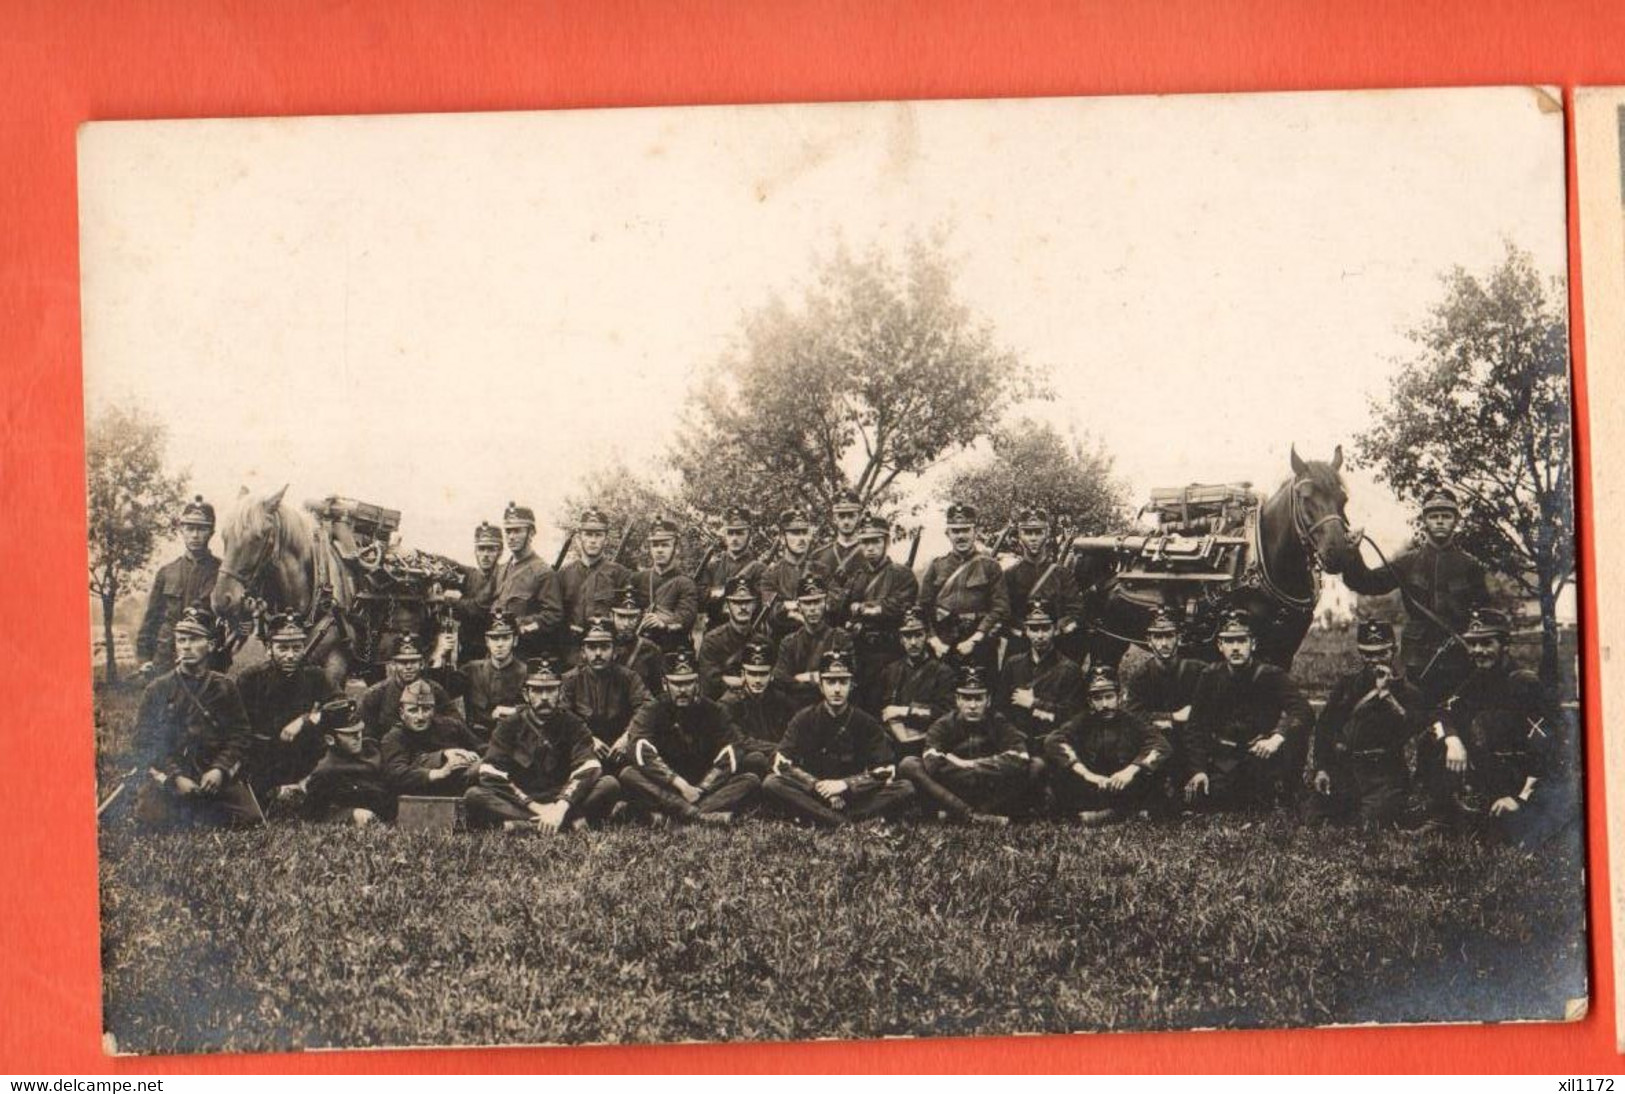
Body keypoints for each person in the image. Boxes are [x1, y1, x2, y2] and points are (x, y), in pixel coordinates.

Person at [1338, 487, 1490, 705]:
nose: (1439, 521)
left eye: (1446, 516)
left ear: (1456, 521)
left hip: (1459, 662)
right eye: (1433, 516)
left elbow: (1483, 617)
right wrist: (1353, 552)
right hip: (1416, 663)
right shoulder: (1408, 563)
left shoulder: (1470, 566)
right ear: (1424, 521)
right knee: (1414, 719)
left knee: (1458, 719)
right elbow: (1366, 583)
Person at [1417, 608, 1557, 844]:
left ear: (1505, 646)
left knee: (1504, 838)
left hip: (1522, 783)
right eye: (1473, 644)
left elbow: (1547, 751)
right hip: (1491, 774)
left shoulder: (1523, 683)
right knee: (1432, 739)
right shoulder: (1477, 679)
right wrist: (1452, 740)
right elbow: (1441, 712)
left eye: (1486, 643)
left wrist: (1520, 799)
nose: (1478, 651)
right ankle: (1443, 816)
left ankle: (1493, 818)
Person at [129, 606, 261, 829]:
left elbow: (240, 734)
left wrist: (220, 769)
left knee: (250, 819)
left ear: (210, 645)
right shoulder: (157, 689)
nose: (186, 646)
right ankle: (187, 806)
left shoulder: (225, 687)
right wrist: (175, 776)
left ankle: (199, 808)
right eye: (181, 640)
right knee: (152, 820)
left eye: (194, 639)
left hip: (211, 771)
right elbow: (144, 741)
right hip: (172, 771)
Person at [463, 658, 622, 832]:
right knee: (474, 796)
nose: (544, 697)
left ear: (560, 693)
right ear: (526, 694)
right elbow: (490, 772)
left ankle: (524, 826)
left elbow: (588, 767)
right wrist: (540, 808)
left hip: (563, 797)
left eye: (551, 690)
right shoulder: (509, 725)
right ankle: (565, 823)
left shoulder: (574, 723)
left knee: (609, 784)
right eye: (537, 691)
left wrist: (560, 807)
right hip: (523, 799)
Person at [763, 649, 915, 827]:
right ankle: (844, 822)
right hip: (813, 795)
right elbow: (780, 762)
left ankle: (823, 820)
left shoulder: (866, 722)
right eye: (830, 682)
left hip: (854, 798)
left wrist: (846, 785)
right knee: (771, 783)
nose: (837, 689)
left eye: (843, 682)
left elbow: (886, 769)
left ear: (851, 685)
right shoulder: (803, 718)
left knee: (905, 787)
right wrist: (818, 786)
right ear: (821, 686)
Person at [1183, 611, 1314, 812]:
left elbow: (1303, 710)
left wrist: (1277, 737)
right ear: (1220, 646)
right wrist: (1199, 770)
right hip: (1225, 758)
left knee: (1267, 797)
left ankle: (1289, 788)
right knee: (1207, 799)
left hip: (1261, 757)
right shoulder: (1210, 677)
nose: (1236, 648)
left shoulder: (1272, 675)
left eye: (1242, 641)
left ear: (1253, 644)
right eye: (1229, 641)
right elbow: (1195, 726)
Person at [620, 650, 762, 824]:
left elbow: (734, 749)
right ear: (665, 684)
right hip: (667, 785)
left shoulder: (714, 710)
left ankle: (673, 815)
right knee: (628, 774)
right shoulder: (652, 710)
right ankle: (698, 815)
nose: (682, 690)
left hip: (703, 785)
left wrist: (703, 787)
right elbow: (639, 748)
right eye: (676, 683)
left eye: (688, 683)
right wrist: (679, 783)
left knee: (751, 779)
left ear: (697, 683)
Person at [1307, 620, 1423, 828]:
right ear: (1360, 654)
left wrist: (1388, 698)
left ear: (1394, 651)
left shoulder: (1408, 691)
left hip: (1384, 773)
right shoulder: (1348, 685)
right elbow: (1325, 727)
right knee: (1313, 816)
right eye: (1368, 654)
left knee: (1368, 823)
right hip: (1348, 768)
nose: (1374, 660)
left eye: (1382, 653)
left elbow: (1412, 728)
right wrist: (1322, 768)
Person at [899, 665, 1036, 824]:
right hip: (953, 790)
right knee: (909, 764)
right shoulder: (943, 724)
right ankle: (970, 815)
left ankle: (974, 812)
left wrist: (972, 764)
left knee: (1036, 765)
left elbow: (1020, 756)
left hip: (990, 790)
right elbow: (932, 762)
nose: (972, 705)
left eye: (978, 699)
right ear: (957, 700)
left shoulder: (999, 722)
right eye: (966, 698)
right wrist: (992, 763)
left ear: (988, 700)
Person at [1044, 666, 1169, 825]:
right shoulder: (1083, 721)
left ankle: (1114, 813)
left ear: (1120, 697)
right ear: (1090, 702)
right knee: (1058, 773)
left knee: (1155, 773)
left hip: (1126, 785)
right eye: (1098, 699)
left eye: (1109, 697)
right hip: (1096, 785)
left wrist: (1130, 771)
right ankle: (1118, 813)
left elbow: (1161, 744)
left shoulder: (1132, 720)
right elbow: (1053, 740)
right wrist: (1087, 775)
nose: (1104, 704)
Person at [234, 613, 337, 805]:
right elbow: (237, 728)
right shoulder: (251, 679)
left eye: (297, 648)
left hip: (304, 756)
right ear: (268, 649)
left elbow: (341, 707)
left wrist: (306, 719)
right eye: (282, 648)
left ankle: (303, 784)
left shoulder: (315, 676)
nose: (290, 655)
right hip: (263, 758)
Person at [916, 502, 1009, 675]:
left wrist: (976, 639)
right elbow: (923, 608)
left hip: (979, 642)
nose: (961, 536)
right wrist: (933, 639)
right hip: (943, 643)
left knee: (981, 693)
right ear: (948, 534)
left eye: (966, 530)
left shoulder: (990, 566)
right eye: (955, 531)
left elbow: (1000, 607)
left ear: (975, 532)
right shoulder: (936, 566)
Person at [838, 515, 919, 713]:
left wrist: (867, 608)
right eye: (865, 542)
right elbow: (841, 608)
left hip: (890, 652)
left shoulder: (902, 574)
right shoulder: (856, 576)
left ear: (887, 542)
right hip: (860, 651)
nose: (870, 548)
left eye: (876, 541)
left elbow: (900, 605)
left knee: (888, 706)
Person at [1123, 607, 1206, 797]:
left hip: (1192, 740)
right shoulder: (1140, 677)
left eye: (1169, 636)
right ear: (1149, 641)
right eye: (1158, 637)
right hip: (1159, 740)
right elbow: (1132, 715)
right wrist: (1172, 717)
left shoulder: (1197, 670)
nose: (1164, 643)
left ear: (1178, 638)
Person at [137, 495, 222, 677]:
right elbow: (152, 619)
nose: (195, 535)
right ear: (181, 530)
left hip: (207, 661)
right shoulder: (167, 572)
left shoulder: (221, 572)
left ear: (211, 532)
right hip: (166, 659)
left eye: (201, 529)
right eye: (190, 528)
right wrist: (145, 658)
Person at [560, 616, 654, 763]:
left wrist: (627, 737)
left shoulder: (629, 678)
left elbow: (648, 708)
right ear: (583, 652)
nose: (598, 653)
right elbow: (562, 714)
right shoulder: (571, 680)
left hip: (621, 750)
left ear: (615, 651)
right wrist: (588, 739)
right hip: (584, 751)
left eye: (604, 647)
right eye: (591, 647)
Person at [997, 603, 1086, 750]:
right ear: (1026, 631)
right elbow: (1000, 708)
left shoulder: (1070, 669)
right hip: (1017, 743)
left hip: (1053, 744)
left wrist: (1034, 703)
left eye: (1045, 629)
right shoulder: (1013, 664)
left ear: (1055, 630)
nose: (1040, 636)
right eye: (1034, 629)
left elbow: (1074, 716)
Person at [1001, 507, 1083, 663]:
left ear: (1046, 535)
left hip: (1057, 646)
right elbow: (1003, 612)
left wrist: (1057, 629)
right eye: (1028, 532)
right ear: (1020, 535)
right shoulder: (1009, 575)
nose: (1033, 538)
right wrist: (1023, 630)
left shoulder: (1062, 575)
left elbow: (1076, 609)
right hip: (1020, 647)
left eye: (1038, 532)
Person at [380, 678, 484, 799]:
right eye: (413, 710)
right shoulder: (395, 737)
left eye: (426, 709)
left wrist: (475, 756)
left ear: (433, 710)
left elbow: (482, 748)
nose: (420, 716)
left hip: (461, 788)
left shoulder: (451, 726)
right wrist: (440, 771)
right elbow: (395, 774)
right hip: (421, 796)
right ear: (402, 713)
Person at [875, 608, 958, 757]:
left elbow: (948, 714)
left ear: (926, 636)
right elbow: (879, 711)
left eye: (918, 635)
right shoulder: (890, 671)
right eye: (907, 636)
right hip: (893, 743)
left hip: (928, 743)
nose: (913, 642)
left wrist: (906, 711)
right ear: (900, 639)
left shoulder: (943, 672)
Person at [492, 501, 566, 660]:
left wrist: (520, 625)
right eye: (508, 531)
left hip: (526, 656)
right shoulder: (502, 570)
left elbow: (553, 616)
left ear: (531, 533)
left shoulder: (542, 572)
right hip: (497, 656)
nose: (511, 537)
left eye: (517, 531)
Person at [558, 507, 632, 662]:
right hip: (572, 655)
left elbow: (627, 618)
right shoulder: (564, 574)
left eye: (598, 535)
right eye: (588, 534)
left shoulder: (620, 574)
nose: (593, 540)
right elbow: (557, 616)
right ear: (579, 538)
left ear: (606, 539)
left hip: (606, 654)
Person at [304, 699, 396, 825]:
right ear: (330, 739)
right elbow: (313, 814)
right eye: (349, 734)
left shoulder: (371, 748)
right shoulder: (326, 771)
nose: (358, 737)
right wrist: (350, 814)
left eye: (359, 731)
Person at [772, 574, 855, 709]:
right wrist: (813, 678)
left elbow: (851, 680)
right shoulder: (789, 642)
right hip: (796, 708)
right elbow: (780, 680)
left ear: (825, 603)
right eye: (807, 603)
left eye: (817, 602)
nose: (812, 608)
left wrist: (801, 678)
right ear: (799, 606)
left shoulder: (841, 639)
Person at [445, 610, 527, 742]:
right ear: (487, 641)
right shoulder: (471, 670)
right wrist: (440, 656)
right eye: (494, 638)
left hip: (513, 741)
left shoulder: (525, 673)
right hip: (477, 740)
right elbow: (443, 692)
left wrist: (514, 711)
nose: (499, 644)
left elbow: (540, 709)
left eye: (505, 638)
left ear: (515, 641)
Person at [720, 640, 800, 770]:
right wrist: (780, 748)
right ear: (742, 674)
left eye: (763, 674)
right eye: (752, 673)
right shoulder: (729, 703)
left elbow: (795, 729)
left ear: (771, 675)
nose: (758, 680)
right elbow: (740, 742)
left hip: (779, 759)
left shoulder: (780, 699)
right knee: (756, 758)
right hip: (746, 764)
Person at [357, 635, 456, 739]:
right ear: (393, 665)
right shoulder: (375, 695)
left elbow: (456, 725)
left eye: (413, 662)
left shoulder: (435, 690)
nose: (408, 667)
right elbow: (365, 736)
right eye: (402, 662)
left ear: (421, 664)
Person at [633, 515, 701, 652]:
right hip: (642, 650)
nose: (659, 550)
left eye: (665, 545)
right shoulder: (638, 579)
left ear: (676, 548)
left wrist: (663, 623)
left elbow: (686, 618)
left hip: (674, 649)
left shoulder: (686, 583)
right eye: (655, 545)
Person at [759, 507, 826, 643]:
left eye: (804, 532)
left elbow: (831, 607)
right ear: (783, 538)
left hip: (816, 643)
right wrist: (786, 609)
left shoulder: (821, 571)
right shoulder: (771, 575)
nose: (801, 538)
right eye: (795, 533)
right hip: (782, 643)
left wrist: (792, 608)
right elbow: (771, 614)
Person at [443, 520, 504, 660]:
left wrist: (444, 600)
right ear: (475, 551)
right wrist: (415, 553)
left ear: (500, 552)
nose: (485, 554)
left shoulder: (502, 575)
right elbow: (451, 564)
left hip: (494, 651)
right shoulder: (471, 575)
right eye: (481, 549)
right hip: (468, 651)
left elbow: (477, 607)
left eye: (491, 549)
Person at [698, 576, 766, 700]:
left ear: (755, 605)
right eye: (737, 602)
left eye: (747, 602)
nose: (743, 607)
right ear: (727, 606)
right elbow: (710, 682)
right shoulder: (712, 641)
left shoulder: (763, 642)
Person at [698, 506, 766, 628]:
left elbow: (760, 604)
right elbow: (701, 603)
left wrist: (720, 594)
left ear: (749, 534)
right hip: (716, 630)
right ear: (724, 535)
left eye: (740, 533)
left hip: (748, 630)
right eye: (730, 533)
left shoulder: (760, 569)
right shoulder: (713, 567)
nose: (734, 538)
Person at [810, 488, 866, 602]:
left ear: (859, 517)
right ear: (834, 518)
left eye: (851, 516)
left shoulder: (868, 555)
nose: (846, 521)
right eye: (841, 516)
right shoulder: (819, 556)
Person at [611, 584, 666, 696]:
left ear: (640, 617)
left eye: (632, 617)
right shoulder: (602, 647)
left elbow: (657, 692)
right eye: (621, 617)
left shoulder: (651, 650)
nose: (626, 624)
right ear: (611, 616)